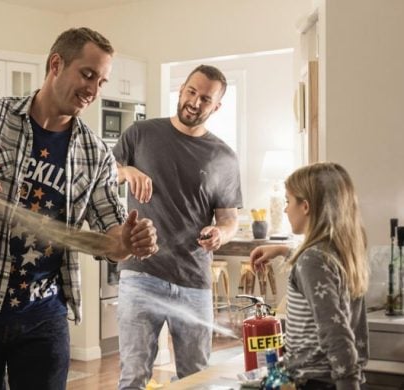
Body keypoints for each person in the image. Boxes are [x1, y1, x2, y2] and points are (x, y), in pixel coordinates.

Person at [0, 27, 158, 390]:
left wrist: (130, 240)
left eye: (101, 81)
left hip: (43, 314)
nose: (93, 90)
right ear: (56, 64)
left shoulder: (95, 153)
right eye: (87, 75)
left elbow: (112, 239)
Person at [112, 64, 243, 389]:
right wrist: (127, 171)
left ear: (217, 106)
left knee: (196, 378)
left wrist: (220, 233)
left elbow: (229, 219)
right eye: (191, 92)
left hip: (193, 281)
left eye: (205, 99)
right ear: (182, 89)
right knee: (133, 377)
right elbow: (106, 170)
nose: (195, 102)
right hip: (140, 275)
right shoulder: (141, 134)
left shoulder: (223, 157)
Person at [250, 162, 369, 390]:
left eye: (288, 201)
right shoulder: (342, 252)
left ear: (305, 206)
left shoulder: (312, 260)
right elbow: (321, 274)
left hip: (317, 382)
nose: (285, 209)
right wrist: (284, 251)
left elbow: (335, 332)